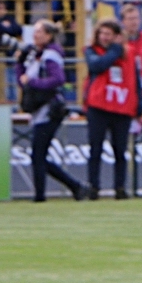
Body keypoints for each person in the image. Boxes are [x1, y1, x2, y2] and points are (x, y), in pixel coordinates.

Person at [18, 20, 87, 201]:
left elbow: (57, 79)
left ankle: (41, 196)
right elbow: (22, 81)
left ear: (48, 36)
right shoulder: (37, 55)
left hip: (49, 110)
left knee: (38, 155)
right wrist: (19, 63)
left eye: (39, 32)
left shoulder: (50, 55)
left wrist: (32, 82)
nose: (35, 35)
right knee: (38, 157)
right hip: (39, 110)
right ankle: (75, 187)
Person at [84, 19, 138, 199]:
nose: (105, 37)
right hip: (99, 106)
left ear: (116, 36)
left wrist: (139, 106)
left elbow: (135, 80)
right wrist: (114, 50)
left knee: (120, 150)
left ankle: (120, 187)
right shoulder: (91, 51)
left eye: (109, 34)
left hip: (121, 107)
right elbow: (97, 66)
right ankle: (94, 186)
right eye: (102, 34)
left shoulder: (129, 55)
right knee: (95, 148)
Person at [121, 3, 142, 116]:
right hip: (127, 92)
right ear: (123, 22)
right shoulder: (120, 41)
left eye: (136, 18)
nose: (134, 22)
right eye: (130, 19)